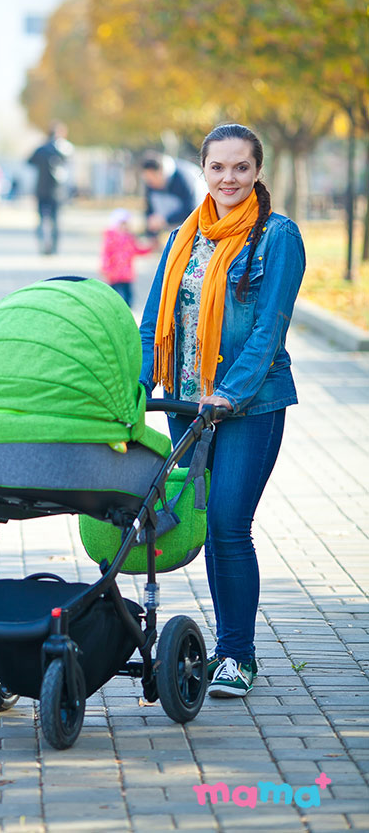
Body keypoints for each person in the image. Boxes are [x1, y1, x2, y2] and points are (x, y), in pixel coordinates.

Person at [139, 123, 305, 699]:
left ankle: (238, 655)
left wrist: (229, 393)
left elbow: (269, 328)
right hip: (186, 401)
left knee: (231, 525)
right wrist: (140, 385)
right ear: (203, 170)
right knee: (211, 528)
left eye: (241, 168)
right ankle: (226, 647)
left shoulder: (277, 236)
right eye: (218, 168)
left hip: (249, 404)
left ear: (257, 171)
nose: (229, 179)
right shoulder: (185, 234)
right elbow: (153, 314)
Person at [27, 122, 72, 254]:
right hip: (57, 191)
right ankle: (54, 248)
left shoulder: (41, 149)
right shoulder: (64, 149)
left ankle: (42, 245)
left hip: (41, 189)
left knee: (42, 219)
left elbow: (29, 162)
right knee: (55, 220)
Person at [100, 208, 154, 308]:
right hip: (114, 275)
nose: (124, 227)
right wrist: (106, 269)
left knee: (128, 298)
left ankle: (127, 311)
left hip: (127, 275)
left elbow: (137, 250)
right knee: (114, 297)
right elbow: (106, 255)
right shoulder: (110, 239)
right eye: (122, 224)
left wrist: (149, 248)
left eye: (126, 224)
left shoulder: (129, 238)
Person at [141, 154, 201, 237]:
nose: (151, 184)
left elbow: (192, 209)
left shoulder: (184, 179)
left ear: (160, 172)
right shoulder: (151, 184)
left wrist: (166, 220)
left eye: (152, 178)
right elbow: (150, 210)